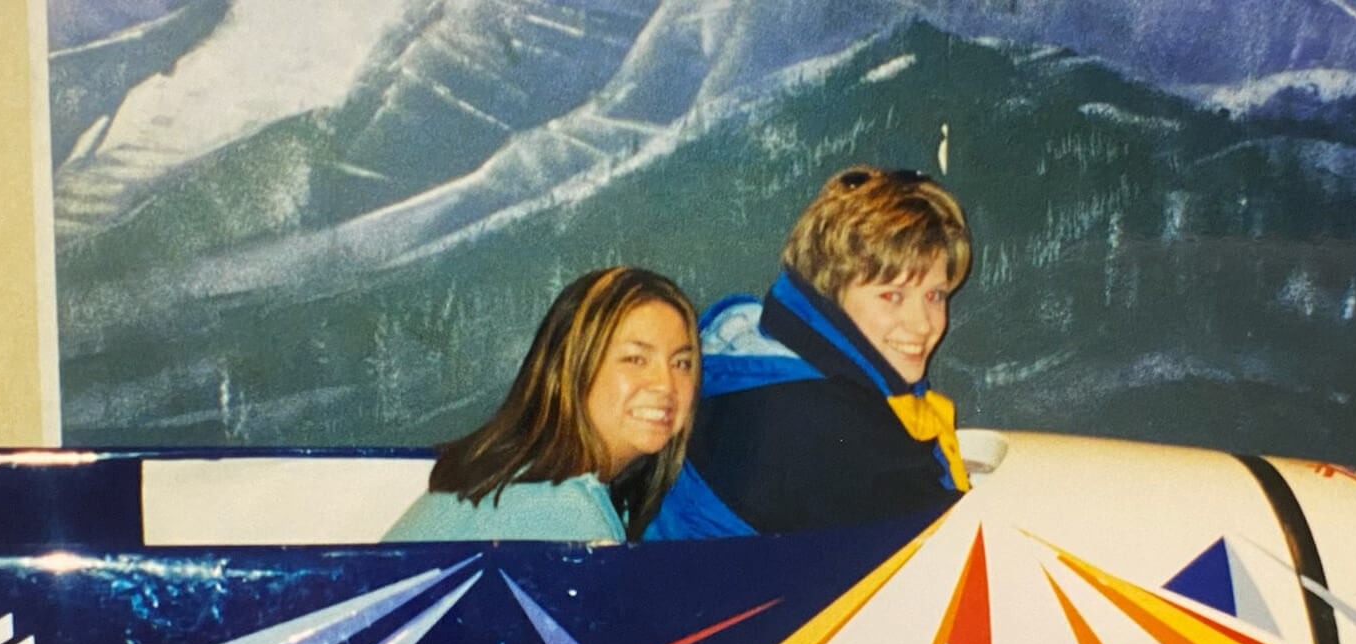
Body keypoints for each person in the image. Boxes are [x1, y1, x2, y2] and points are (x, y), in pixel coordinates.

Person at [649, 166, 972, 538]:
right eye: (891, 296)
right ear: (830, 290)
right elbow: (951, 551)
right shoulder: (821, 421)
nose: (923, 324)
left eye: (935, 295)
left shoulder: (763, 350)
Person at [384, 267, 699, 542]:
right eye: (635, 359)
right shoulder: (559, 509)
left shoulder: (531, 481)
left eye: (682, 363)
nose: (666, 384)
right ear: (572, 369)